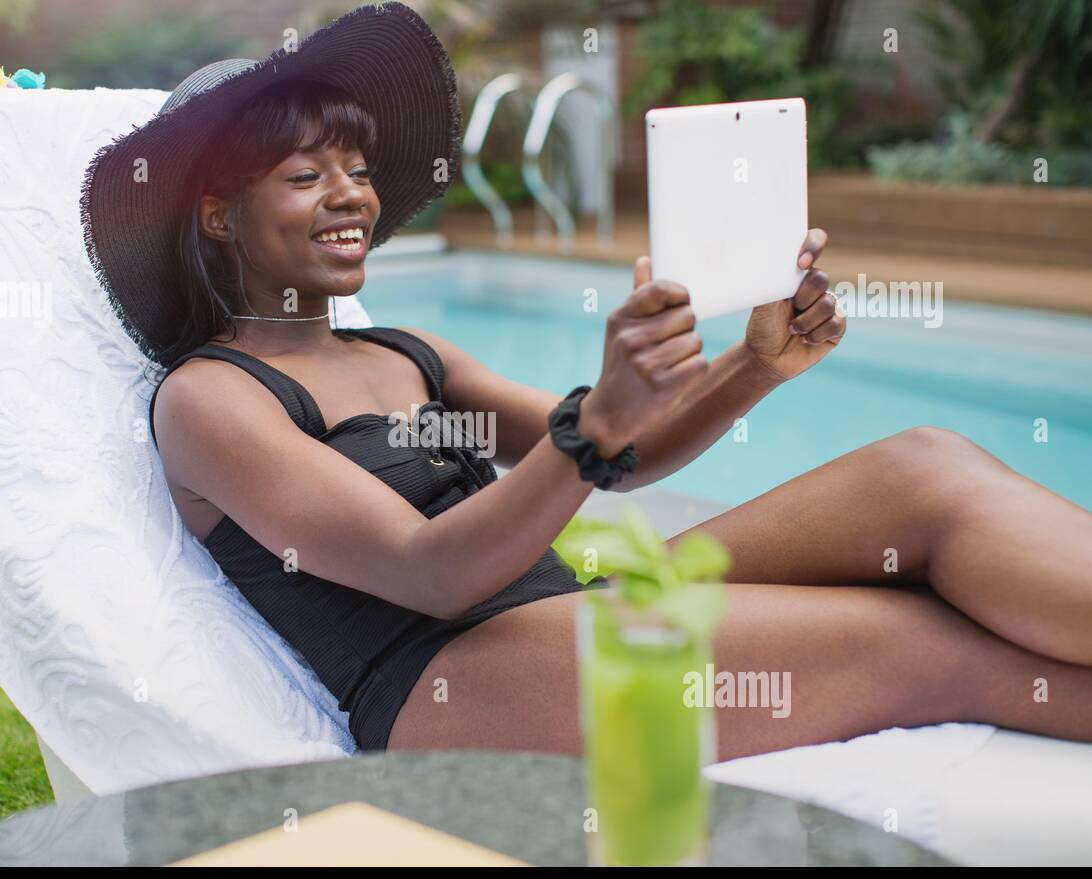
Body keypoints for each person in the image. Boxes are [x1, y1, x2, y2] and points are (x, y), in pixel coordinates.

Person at [81, 2, 1092, 762]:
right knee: (927, 641)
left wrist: (755, 364)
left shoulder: (404, 352)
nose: (349, 193)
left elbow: (627, 456)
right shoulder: (211, 399)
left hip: (570, 614)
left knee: (923, 469)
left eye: (354, 165)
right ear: (218, 215)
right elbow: (426, 570)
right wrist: (589, 429)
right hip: (454, 686)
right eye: (305, 175)